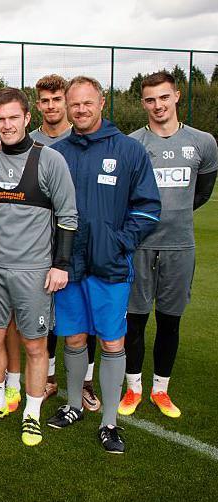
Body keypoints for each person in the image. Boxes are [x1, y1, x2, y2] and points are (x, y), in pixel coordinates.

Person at [45, 76, 161, 454]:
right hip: (69, 265)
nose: (80, 110)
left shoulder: (128, 150)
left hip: (109, 265)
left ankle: (109, 422)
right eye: (74, 104)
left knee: (112, 342)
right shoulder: (57, 152)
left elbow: (147, 209)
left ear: (101, 102)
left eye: (87, 103)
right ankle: (75, 404)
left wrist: (119, 243)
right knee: (75, 338)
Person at [0, 88, 77, 447]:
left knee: (34, 345)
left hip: (34, 271)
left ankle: (32, 413)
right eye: (0, 119)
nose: (7, 125)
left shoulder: (50, 160)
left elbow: (68, 217)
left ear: (27, 118)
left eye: (14, 118)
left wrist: (60, 264)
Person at [122, 70, 218, 418]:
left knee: (170, 320)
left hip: (180, 246)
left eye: (164, 97)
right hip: (140, 246)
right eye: (150, 99)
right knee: (135, 320)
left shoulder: (203, 142)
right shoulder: (133, 144)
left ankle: (160, 389)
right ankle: (133, 388)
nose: (157, 105)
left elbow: (202, 192)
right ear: (143, 103)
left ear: (177, 96)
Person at [28, 74, 101, 406]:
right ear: (37, 104)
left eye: (57, 99)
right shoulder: (28, 141)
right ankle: (50, 376)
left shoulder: (85, 137)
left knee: (85, 316)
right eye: (45, 100)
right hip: (42, 243)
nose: (51, 106)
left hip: (84, 241)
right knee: (49, 313)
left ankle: (85, 382)